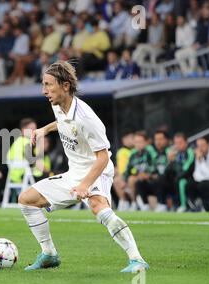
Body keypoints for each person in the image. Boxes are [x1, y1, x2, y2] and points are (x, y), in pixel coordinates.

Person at [18, 60, 149, 273]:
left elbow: (103, 158)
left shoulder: (86, 118)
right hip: (75, 172)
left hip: (97, 170)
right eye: (43, 85)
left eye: (49, 85)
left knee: (99, 208)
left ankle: (137, 259)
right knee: (27, 200)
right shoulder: (58, 105)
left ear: (66, 86)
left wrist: (85, 185)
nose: (44, 91)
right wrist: (45, 129)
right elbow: (63, 122)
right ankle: (49, 254)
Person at [186, 137, 209, 212]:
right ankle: (195, 205)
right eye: (198, 146)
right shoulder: (199, 156)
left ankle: (208, 206)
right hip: (205, 181)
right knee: (190, 184)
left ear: (208, 144)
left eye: (202, 145)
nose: (200, 148)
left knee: (202, 185)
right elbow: (196, 174)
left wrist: (201, 160)